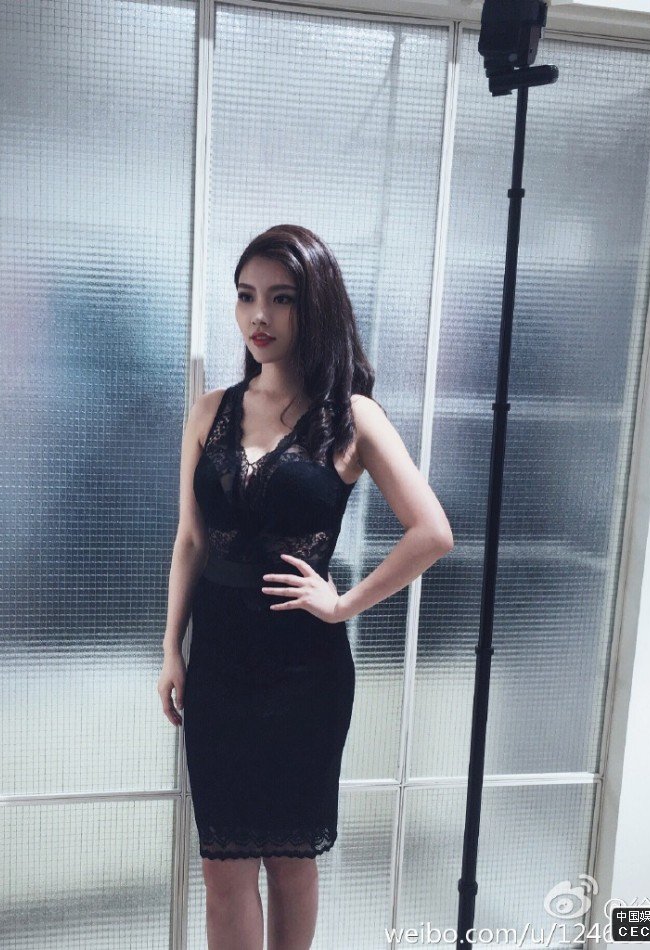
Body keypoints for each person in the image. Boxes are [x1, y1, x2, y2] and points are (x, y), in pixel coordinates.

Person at [157, 224, 454, 949]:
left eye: (281, 298)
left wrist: (345, 602)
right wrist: (170, 649)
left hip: (304, 673)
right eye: (246, 296)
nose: (258, 315)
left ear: (314, 305)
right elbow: (192, 540)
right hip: (218, 664)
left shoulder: (350, 416)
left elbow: (432, 531)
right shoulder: (210, 411)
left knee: (292, 860)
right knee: (222, 866)